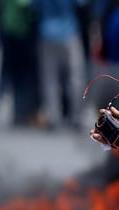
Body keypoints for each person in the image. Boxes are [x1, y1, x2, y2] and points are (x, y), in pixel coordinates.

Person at [33, 0, 87, 129]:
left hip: (46, 32)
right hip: (69, 31)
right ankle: (76, 116)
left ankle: (53, 117)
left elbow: (33, 6)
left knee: (50, 79)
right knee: (76, 78)